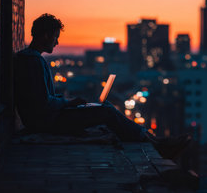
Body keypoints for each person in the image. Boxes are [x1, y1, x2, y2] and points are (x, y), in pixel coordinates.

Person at [14, 13, 190, 159]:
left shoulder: (29, 58)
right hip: (46, 122)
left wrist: (66, 101)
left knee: (104, 108)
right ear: (46, 35)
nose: (57, 42)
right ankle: (157, 144)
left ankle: (156, 142)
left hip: (45, 118)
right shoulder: (33, 61)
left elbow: (40, 100)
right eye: (55, 37)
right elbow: (43, 103)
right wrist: (67, 103)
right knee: (105, 112)